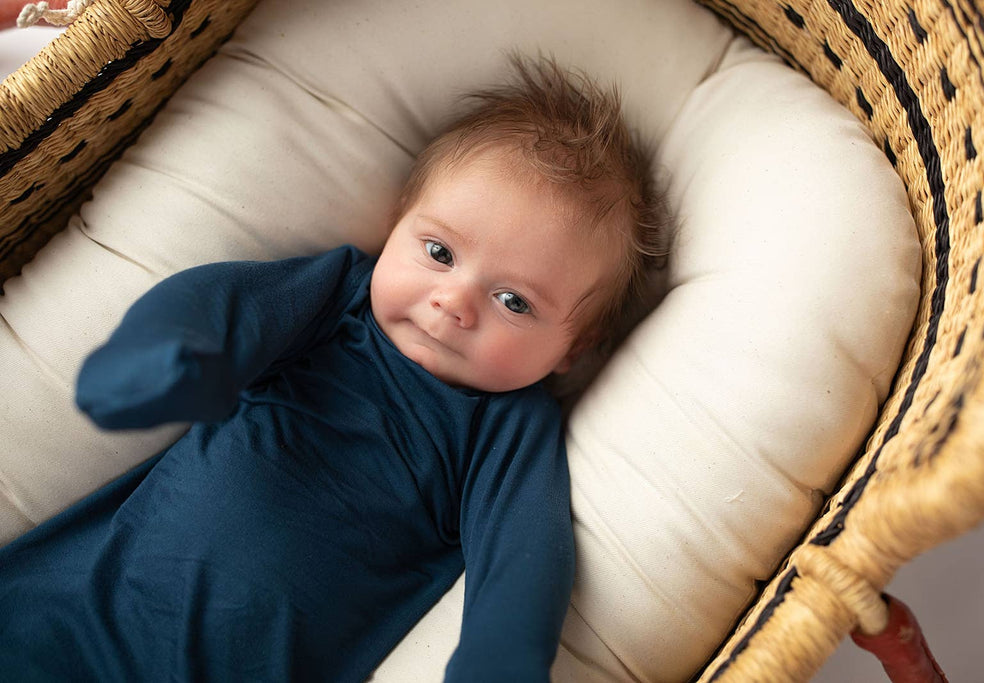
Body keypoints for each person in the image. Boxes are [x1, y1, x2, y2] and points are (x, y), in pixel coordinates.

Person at [0, 55, 668, 682]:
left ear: (573, 349)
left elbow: (525, 556)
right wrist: (163, 348)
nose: (454, 302)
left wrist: (502, 656)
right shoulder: (337, 300)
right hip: (79, 605)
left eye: (514, 301)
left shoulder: (508, 427)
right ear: (397, 224)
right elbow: (226, 303)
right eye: (439, 253)